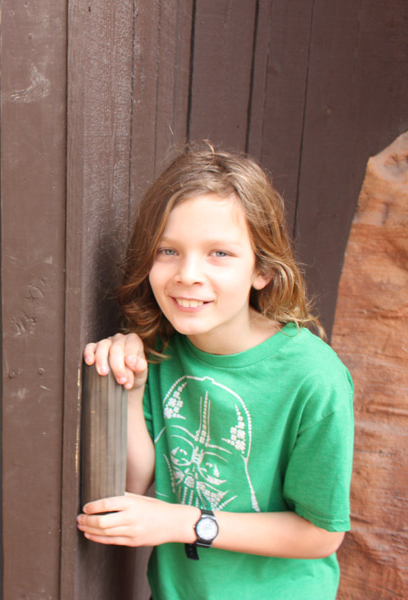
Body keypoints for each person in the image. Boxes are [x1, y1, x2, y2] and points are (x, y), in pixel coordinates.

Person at [78, 144, 354, 599]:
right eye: (168, 250)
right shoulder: (161, 349)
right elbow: (137, 487)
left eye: (219, 254)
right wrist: (129, 392)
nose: (188, 274)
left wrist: (186, 523)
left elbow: (321, 534)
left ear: (263, 269)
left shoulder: (313, 378)